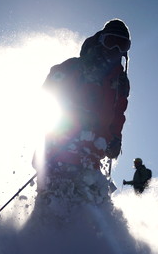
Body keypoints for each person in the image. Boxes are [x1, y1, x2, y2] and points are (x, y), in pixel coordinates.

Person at [35, 19, 131, 198]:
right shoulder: (76, 67)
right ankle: (46, 218)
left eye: (122, 45)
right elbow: (48, 93)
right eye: (111, 43)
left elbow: (119, 113)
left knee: (90, 196)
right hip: (62, 145)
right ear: (101, 41)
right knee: (56, 193)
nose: (115, 50)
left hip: (94, 150)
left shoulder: (120, 83)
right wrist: (70, 113)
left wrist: (115, 137)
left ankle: (87, 222)